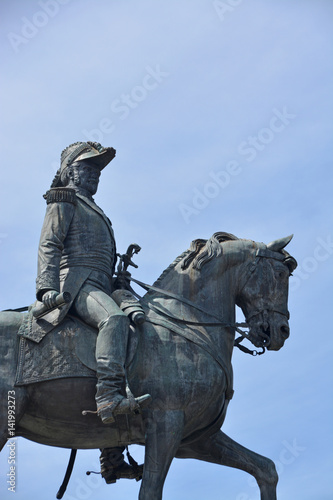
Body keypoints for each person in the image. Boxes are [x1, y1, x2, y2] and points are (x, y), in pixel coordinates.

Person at [36, 141, 151, 426]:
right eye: (87, 167)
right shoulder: (64, 199)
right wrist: (47, 288)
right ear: (69, 172)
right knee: (113, 320)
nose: (94, 173)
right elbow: (49, 244)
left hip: (101, 286)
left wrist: (117, 279)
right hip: (76, 284)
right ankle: (108, 394)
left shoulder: (98, 212)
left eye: (96, 169)